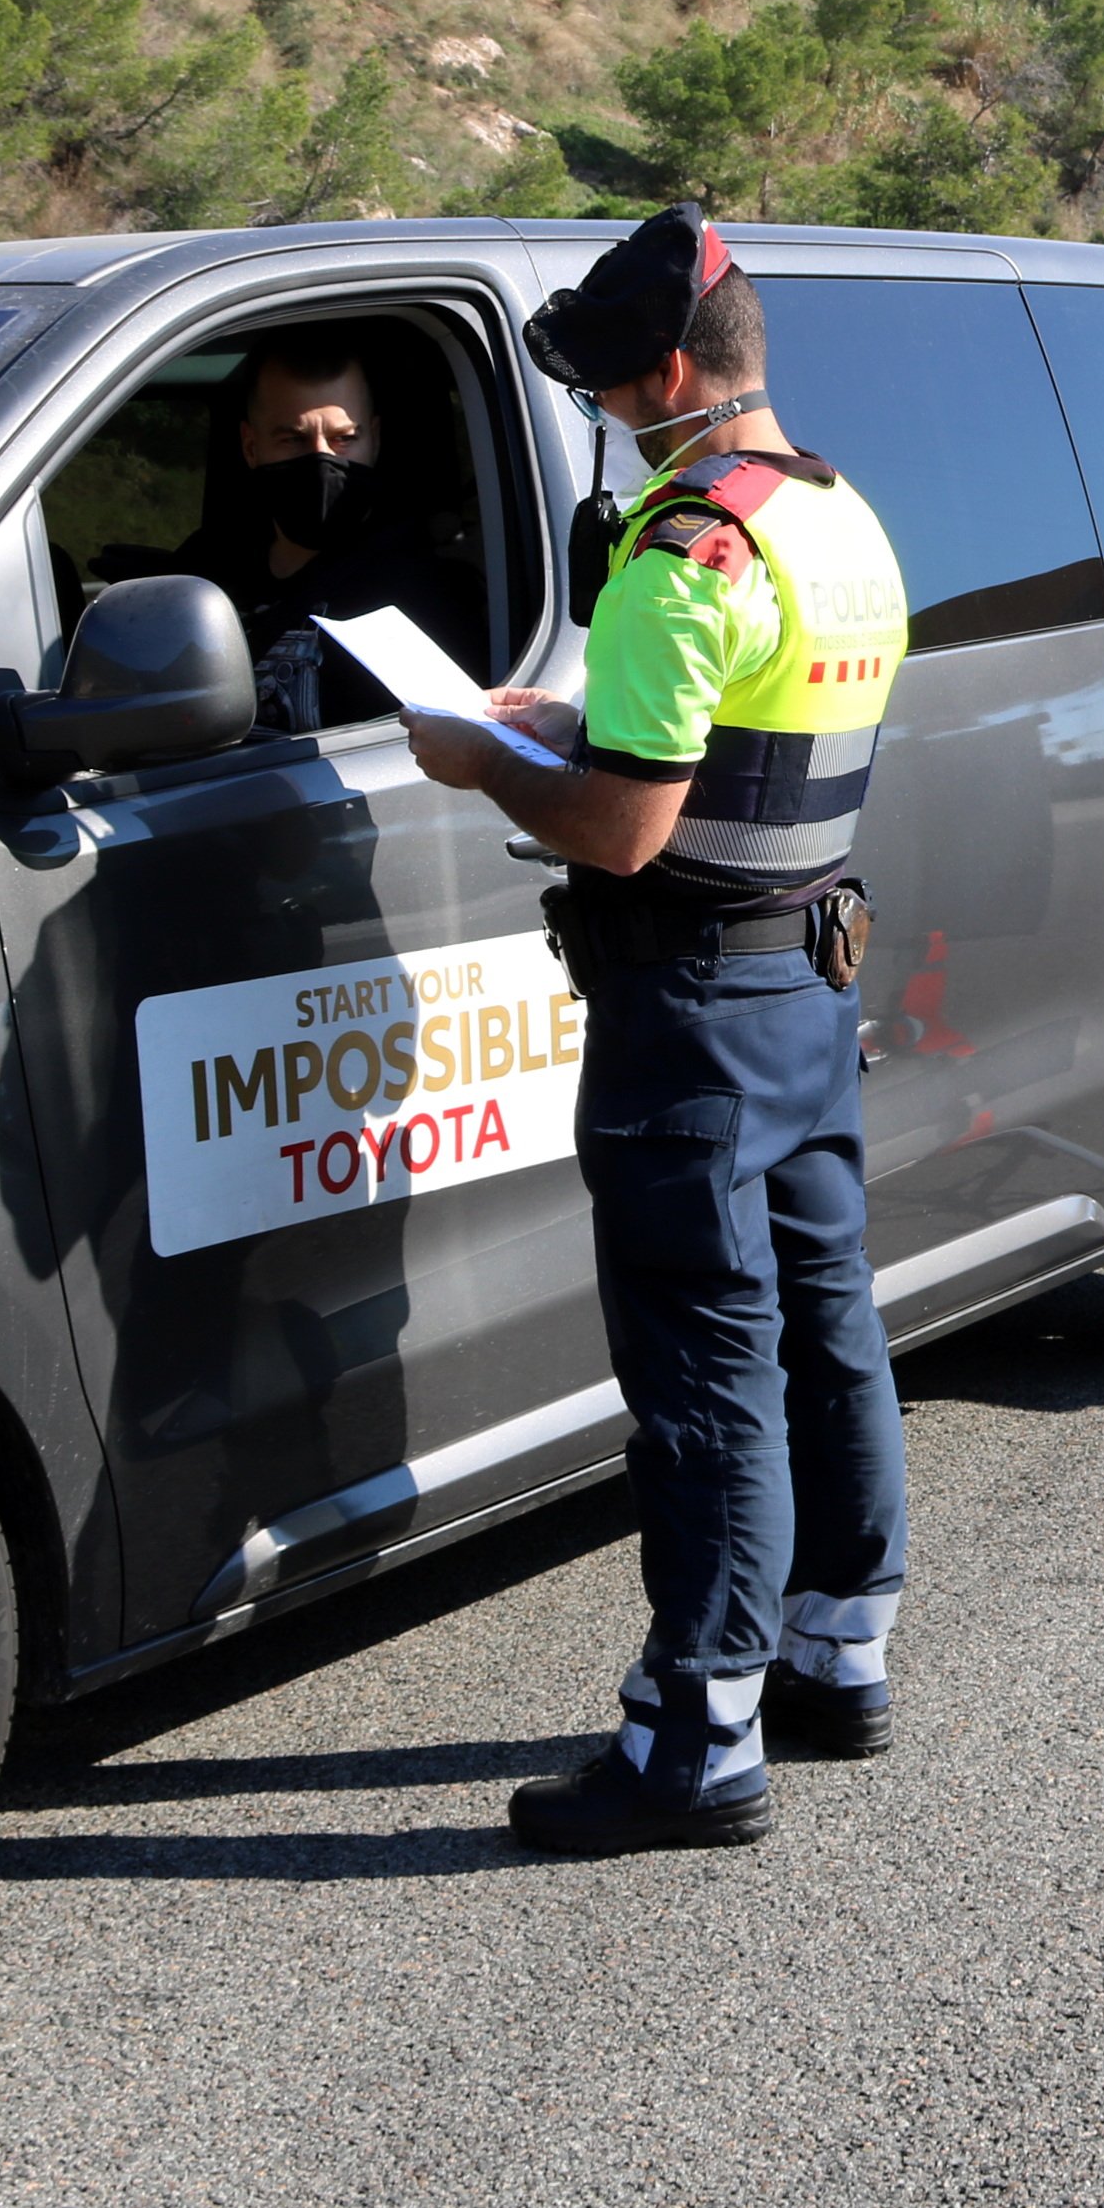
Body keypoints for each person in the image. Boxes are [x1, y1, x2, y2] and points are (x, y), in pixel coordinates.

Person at [399, 205, 914, 1857]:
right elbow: (731, 737)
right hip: (808, 979)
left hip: (686, 1004)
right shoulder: (834, 519)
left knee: (703, 1368)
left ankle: (698, 1736)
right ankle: (841, 1651)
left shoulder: (684, 546)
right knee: (826, 1320)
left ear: (678, 371)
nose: (612, 416)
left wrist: (485, 758)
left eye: (617, 389)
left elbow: (623, 830)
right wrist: (565, 716)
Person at [158, 330, 487, 730]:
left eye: (343, 438)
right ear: (250, 446)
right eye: (293, 439)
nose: (322, 459)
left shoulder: (428, 594)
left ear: (375, 439)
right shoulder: (204, 573)